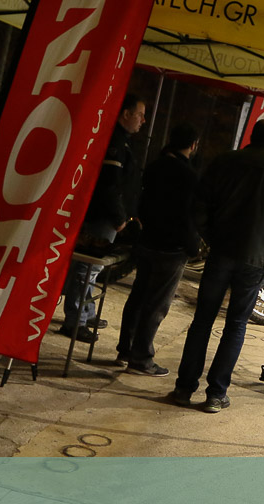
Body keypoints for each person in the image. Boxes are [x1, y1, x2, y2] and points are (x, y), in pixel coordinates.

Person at [167, 119, 264, 413]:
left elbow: (199, 205)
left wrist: (211, 236)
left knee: (203, 320)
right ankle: (216, 394)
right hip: (256, 258)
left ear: (252, 136)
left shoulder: (224, 161)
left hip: (222, 250)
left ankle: (184, 388)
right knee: (236, 323)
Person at [115, 123, 200, 377]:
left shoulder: (155, 167)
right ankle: (141, 358)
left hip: (148, 240)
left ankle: (126, 349)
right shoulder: (189, 176)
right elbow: (189, 216)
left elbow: (140, 201)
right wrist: (192, 245)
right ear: (193, 145)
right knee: (157, 304)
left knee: (138, 296)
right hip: (172, 247)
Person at [60, 93, 145, 343]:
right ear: (126, 114)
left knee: (92, 269)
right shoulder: (115, 141)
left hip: (107, 215)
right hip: (103, 216)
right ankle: (75, 321)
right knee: (88, 267)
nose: (143, 121)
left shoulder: (122, 140)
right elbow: (109, 184)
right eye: (140, 114)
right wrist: (119, 217)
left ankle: (86, 312)